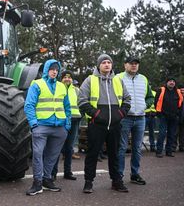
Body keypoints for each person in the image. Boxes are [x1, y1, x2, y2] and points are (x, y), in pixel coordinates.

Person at [78, 54, 131, 194]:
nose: (107, 64)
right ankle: (88, 182)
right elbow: (82, 101)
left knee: (115, 154)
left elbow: (127, 100)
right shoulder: (90, 80)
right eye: (104, 62)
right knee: (92, 154)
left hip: (115, 124)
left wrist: (119, 115)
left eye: (109, 62)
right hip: (97, 124)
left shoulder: (118, 81)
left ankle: (116, 181)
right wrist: (96, 114)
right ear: (98, 65)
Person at [24, 59, 71, 196]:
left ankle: (47, 180)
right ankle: (37, 183)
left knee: (52, 156)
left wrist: (67, 124)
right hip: (41, 126)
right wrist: (33, 124)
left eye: (56, 69)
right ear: (46, 70)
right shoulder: (37, 84)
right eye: (52, 69)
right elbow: (29, 105)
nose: (54, 72)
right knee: (38, 155)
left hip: (59, 127)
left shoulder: (62, 86)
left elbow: (67, 107)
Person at [116, 56, 154, 186]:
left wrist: (145, 105)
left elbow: (150, 97)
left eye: (136, 64)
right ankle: (119, 176)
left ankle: (135, 174)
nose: (134, 66)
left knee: (137, 148)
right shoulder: (118, 78)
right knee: (121, 147)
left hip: (140, 118)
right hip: (124, 118)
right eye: (131, 63)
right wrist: (120, 111)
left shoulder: (143, 79)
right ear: (125, 65)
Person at [51, 70, 82, 181]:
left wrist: (80, 116)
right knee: (57, 148)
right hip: (61, 120)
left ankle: (67, 172)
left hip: (74, 120)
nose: (67, 79)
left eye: (69, 77)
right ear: (61, 79)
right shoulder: (57, 88)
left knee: (69, 148)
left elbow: (81, 103)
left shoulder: (77, 90)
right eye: (65, 77)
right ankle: (53, 173)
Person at [154, 77, 183, 157]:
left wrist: (178, 114)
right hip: (163, 116)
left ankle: (169, 151)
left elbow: (180, 104)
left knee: (172, 134)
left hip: (174, 117)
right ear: (167, 82)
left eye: (173, 81)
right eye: (170, 81)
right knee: (162, 134)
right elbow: (156, 101)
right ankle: (159, 151)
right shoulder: (161, 90)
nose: (172, 82)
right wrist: (159, 113)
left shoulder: (178, 92)